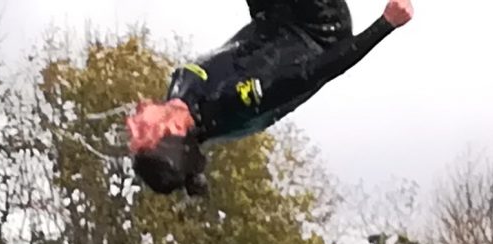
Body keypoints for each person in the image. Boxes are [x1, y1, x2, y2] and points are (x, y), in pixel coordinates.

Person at [127, 0, 416, 197]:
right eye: (141, 133)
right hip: (318, 29)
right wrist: (385, 24)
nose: (130, 124)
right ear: (175, 130)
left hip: (274, 16)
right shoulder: (232, 102)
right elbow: (317, 72)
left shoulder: (178, 99)